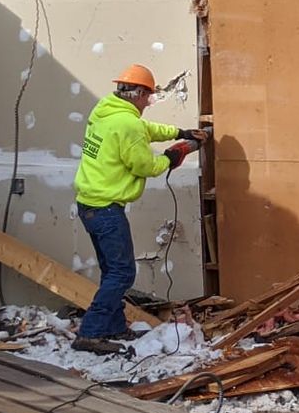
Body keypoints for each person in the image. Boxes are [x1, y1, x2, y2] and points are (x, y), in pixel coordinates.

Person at [72, 63, 203, 352]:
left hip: (89, 204)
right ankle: (90, 333)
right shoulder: (127, 124)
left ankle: (113, 327)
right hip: (106, 208)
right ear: (139, 93)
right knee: (122, 273)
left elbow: (145, 129)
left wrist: (180, 131)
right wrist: (174, 154)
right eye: (149, 97)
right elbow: (145, 165)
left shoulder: (106, 111)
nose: (149, 102)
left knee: (112, 271)